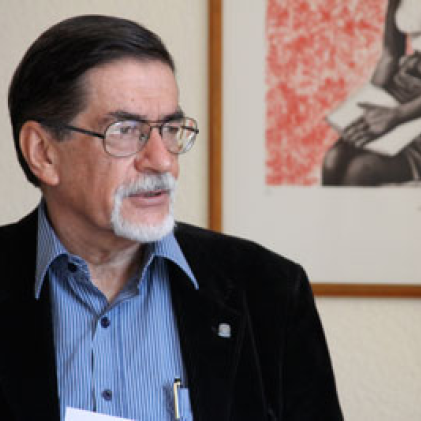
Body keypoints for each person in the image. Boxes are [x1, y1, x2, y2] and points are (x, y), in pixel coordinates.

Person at [0, 15, 343, 421]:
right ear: (43, 152)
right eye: (126, 130)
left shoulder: (270, 290)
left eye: (170, 128)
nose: (162, 160)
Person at [322, 0, 421, 186]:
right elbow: (390, 56)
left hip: (414, 110)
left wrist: (397, 115)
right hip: (404, 85)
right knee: (333, 159)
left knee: (361, 170)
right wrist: (364, 108)